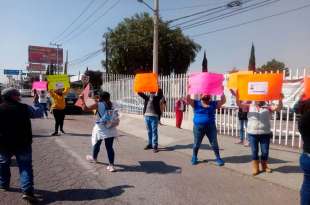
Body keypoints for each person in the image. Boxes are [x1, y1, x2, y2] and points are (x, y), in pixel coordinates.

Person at [0, 88, 37, 202]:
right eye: (17, 94)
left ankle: (3, 184)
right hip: (23, 143)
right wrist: (37, 101)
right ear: (12, 96)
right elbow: (38, 113)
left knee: (3, 164)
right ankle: (27, 191)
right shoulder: (25, 107)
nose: (19, 95)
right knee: (25, 166)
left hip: (4, 144)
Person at [236, 91, 283, 176]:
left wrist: (280, 99)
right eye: (257, 98)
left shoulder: (268, 107)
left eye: (261, 98)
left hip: (265, 133)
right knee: (254, 151)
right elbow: (239, 104)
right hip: (252, 133)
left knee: (265, 151)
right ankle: (255, 167)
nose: (259, 100)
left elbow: (279, 108)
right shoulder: (250, 106)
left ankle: (264, 166)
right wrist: (237, 96)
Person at [81, 91, 118, 172]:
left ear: (100, 97)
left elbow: (84, 108)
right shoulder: (113, 104)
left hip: (100, 128)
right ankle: (111, 166)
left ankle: (94, 158)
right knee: (109, 147)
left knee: (96, 144)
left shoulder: (98, 104)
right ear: (109, 97)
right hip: (111, 127)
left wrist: (82, 100)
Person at [187, 94, 226, 166]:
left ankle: (218, 158)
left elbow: (223, 101)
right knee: (196, 143)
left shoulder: (213, 103)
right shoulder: (196, 103)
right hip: (198, 127)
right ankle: (194, 156)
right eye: (204, 93)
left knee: (214, 143)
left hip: (211, 127)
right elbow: (188, 100)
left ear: (210, 96)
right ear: (201, 95)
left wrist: (221, 92)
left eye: (207, 93)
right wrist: (189, 90)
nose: (205, 94)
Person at [293, 94, 310, 205]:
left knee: (307, 186)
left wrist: (301, 99)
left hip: (306, 157)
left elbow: (296, 107)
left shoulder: (302, 120)